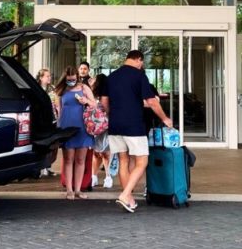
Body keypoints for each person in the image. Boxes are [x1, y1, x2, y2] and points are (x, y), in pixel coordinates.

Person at [102, 50, 172, 212]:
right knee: (142, 162)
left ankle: (129, 199)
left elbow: (104, 101)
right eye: (142, 62)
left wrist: (110, 114)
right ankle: (125, 194)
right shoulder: (139, 75)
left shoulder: (111, 77)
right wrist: (165, 118)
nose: (142, 65)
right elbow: (152, 102)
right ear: (138, 60)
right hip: (133, 125)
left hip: (115, 125)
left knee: (123, 161)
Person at [54, 65, 97, 199]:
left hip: (82, 127)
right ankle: (69, 190)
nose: (71, 81)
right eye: (69, 79)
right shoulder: (60, 90)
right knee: (68, 159)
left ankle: (78, 190)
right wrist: (58, 129)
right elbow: (59, 111)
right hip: (66, 127)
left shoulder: (84, 88)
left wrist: (85, 101)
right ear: (64, 78)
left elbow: (94, 104)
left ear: (77, 77)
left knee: (80, 159)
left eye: (73, 79)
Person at [91, 73, 112, 189]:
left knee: (96, 153)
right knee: (106, 153)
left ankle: (94, 176)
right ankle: (107, 177)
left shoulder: (92, 94)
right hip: (105, 125)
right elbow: (107, 109)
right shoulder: (107, 94)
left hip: (95, 126)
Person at [36, 68, 59, 178]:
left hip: (52, 119)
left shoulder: (52, 89)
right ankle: (39, 168)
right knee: (42, 144)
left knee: (52, 144)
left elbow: (57, 103)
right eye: (47, 76)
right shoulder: (36, 89)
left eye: (50, 76)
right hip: (41, 120)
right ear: (41, 78)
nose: (49, 78)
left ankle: (48, 166)